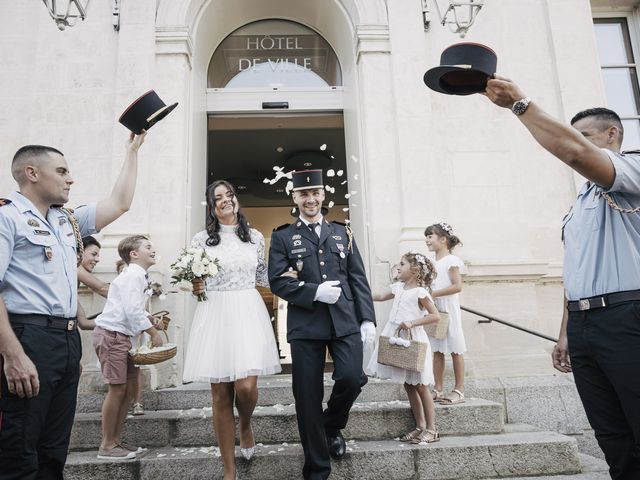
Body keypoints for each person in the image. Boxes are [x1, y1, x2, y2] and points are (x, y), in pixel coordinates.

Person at [485, 78, 640, 480]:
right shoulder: (580, 204)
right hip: (585, 323)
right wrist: (566, 331)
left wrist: (520, 104)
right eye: (578, 137)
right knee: (610, 433)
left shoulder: (633, 170)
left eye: (587, 137)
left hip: (628, 316)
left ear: (613, 135)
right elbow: (576, 270)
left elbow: (573, 152)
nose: (580, 144)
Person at [0, 132, 147, 479]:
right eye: (63, 171)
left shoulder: (66, 219)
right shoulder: (8, 217)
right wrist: (13, 355)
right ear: (32, 173)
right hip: (26, 335)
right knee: (19, 448)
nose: (71, 178)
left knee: (54, 450)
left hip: (64, 341)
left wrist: (132, 150)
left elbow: (119, 203)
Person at [268, 169, 376, 480]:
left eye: (315, 192)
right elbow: (277, 281)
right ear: (294, 197)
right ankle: (317, 468)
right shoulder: (283, 236)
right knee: (307, 395)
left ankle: (331, 425)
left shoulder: (344, 233)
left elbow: (358, 279)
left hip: (344, 320)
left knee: (353, 378)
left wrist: (367, 318)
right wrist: (314, 292)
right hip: (306, 325)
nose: (310, 198)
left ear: (323, 195)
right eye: (303, 194)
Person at [184, 180, 281, 480]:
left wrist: (294, 281)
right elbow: (196, 284)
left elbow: (263, 276)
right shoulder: (201, 240)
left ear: (237, 200)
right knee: (220, 395)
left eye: (229, 195)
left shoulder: (254, 238)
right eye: (218, 198)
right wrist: (195, 285)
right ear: (211, 207)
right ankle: (229, 470)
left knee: (246, 387)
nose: (225, 200)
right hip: (214, 312)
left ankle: (246, 423)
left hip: (248, 311)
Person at [92, 235, 164, 460]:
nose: (153, 250)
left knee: (125, 391)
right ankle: (107, 445)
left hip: (123, 337)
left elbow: (132, 308)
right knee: (117, 390)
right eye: (148, 247)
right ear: (134, 254)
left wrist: (150, 319)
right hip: (113, 336)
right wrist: (153, 334)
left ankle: (116, 441)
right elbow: (132, 310)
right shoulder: (133, 275)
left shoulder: (136, 275)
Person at [366, 252, 441, 444]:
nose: (398, 267)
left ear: (415, 270)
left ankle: (432, 430)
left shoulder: (421, 292)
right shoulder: (398, 287)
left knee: (421, 385)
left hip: (413, 338)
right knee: (408, 384)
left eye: (402, 264)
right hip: (397, 337)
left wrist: (412, 322)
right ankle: (420, 426)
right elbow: (381, 296)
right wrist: (359, 293)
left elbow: (435, 316)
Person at [423, 223, 466, 405]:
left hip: (449, 308)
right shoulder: (431, 262)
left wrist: (433, 293)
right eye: (426, 237)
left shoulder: (451, 261)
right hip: (436, 310)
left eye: (430, 236)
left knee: (455, 348)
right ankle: (438, 388)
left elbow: (457, 286)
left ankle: (459, 389)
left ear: (443, 239)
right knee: (437, 349)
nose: (427, 240)